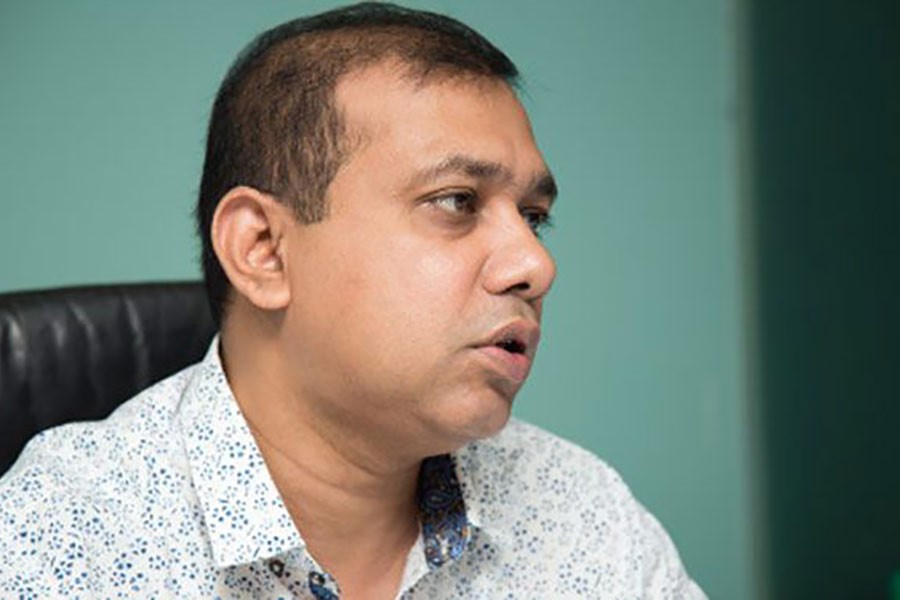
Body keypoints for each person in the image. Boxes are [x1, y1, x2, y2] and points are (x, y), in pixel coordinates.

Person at [0, 3, 706, 598]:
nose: (535, 265)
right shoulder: (58, 543)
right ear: (263, 250)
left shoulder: (586, 518)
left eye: (534, 217)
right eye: (457, 201)